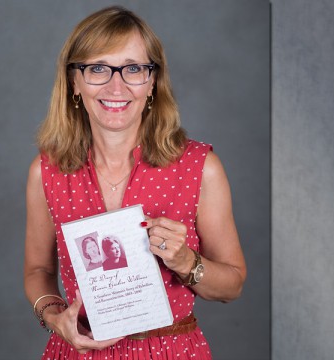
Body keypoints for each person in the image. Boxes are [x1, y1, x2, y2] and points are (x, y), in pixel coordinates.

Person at [24, 6, 246, 359]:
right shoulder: (46, 172)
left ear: (153, 81)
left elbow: (232, 285)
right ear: (74, 82)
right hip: (79, 351)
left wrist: (186, 261)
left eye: (133, 69)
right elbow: (39, 270)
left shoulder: (200, 167)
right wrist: (54, 316)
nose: (117, 85)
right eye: (97, 68)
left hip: (171, 351)